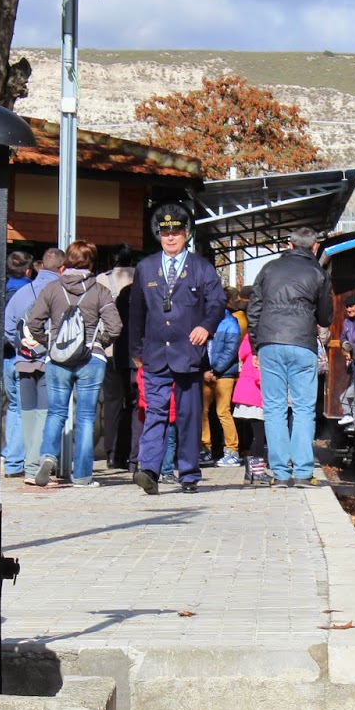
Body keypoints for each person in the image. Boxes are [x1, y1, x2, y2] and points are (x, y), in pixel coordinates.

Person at [128, 202, 226, 495]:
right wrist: (136, 351)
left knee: (188, 415)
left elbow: (217, 302)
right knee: (154, 412)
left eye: (176, 232)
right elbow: (136, 312)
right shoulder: (145, 267)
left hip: (188, 354)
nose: (170, 238)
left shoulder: (201, 267)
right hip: (155, 354)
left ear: (186, 234)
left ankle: (189, 474)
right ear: (158, 235)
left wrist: (206, 326)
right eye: (165, 233)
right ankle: (149, 470)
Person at [27, 241, 122, 488]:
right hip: (91, 358)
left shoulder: (51, 288)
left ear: (67, 260)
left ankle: (48, 456)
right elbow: (115, 326)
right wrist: (97, 341)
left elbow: (34, 323)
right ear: (91, 262)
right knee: (87, 417)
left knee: (56, 413)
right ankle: (82, 476)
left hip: (58, 360)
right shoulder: (100, 291)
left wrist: (50, 344)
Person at [246, 227, 332, 486]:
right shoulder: (318, 273)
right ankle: (304, 471)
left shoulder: (269, 269)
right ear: (315, 247)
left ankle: (281, 474)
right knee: (305, 408)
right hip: (303, 344)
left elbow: (254, 309)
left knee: (274, 408)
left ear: (289, 244)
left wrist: (255, 345)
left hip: (270, 342)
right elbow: (326, 316)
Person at [3, 247, 63, 483]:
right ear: (62, 268)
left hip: (23, 361)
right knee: (47, 414)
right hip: (51, 361)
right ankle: (40, 462)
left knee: (23, 412)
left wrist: (22, 345)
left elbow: (8, 327)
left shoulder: (21, 293)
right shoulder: (61, 292)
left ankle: (21, 465)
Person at [95, 244, 139, 471]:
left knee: (112, 403)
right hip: (136, 353)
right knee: (135, 404)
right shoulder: (141, 278)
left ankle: (111, 453)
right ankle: (133, 453)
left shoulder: (102, 280)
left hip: (109, 349)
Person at [0, 251, 36, 476]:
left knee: (14, 407)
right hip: (23, 356)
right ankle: (15, 462)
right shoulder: (30, 292)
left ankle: (10, 454)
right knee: (25, 409)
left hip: (5, 356)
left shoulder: (1, 290)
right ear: (28, 270)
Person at [200, 288, 243, 467]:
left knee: (223, 412)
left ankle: (232, 450)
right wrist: (204, 370)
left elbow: (231, 350)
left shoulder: (230, 322)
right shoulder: (203, 321)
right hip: (205, 373)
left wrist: (215, 370)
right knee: (202, 411)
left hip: (224, 374)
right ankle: (205, 448)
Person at [231, 331, 270, 483]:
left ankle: (250, 473)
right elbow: (259, 377)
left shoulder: (247, 354)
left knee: (254, 436)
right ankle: (257, 471)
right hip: (255, 398)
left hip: (246, 398)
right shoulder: (257, 354)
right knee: (259, 436)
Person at [338, 296, 355, 427]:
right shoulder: (346, 322)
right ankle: (354, 422)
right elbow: (342, 338)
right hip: (354, 364)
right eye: (347, 307)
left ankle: (353, 419)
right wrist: (345, 346)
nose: (349, 309)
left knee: (354, 396)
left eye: (352, 306)